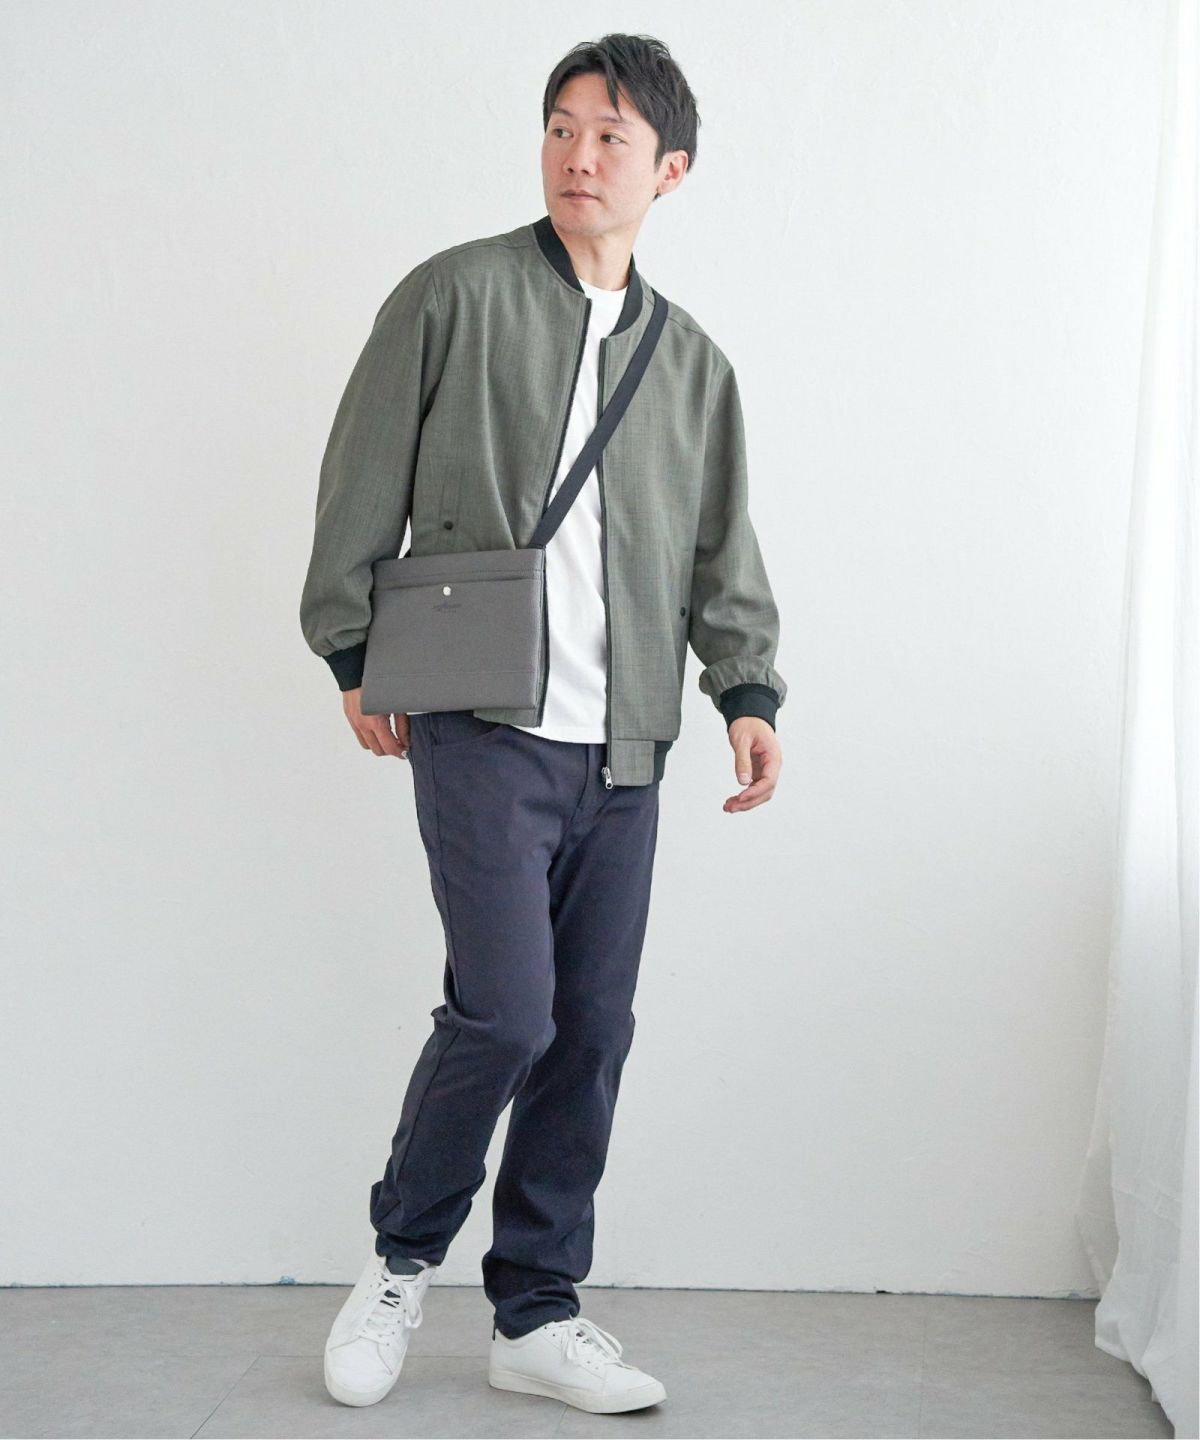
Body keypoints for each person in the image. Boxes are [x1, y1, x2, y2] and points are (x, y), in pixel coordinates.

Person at [299, 31, 787, 1416]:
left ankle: (536, 1312)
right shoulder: (454, 295)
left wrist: (747, 692)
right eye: (562, 127)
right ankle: (400, 1262)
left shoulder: (693, 365)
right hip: (480, 721)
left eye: (611, 136)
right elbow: (361, 473)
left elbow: (721, 552)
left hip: (625, 749)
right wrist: (351, 648)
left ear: (668, 170)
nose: (579, 156)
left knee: (590, 1030)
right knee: (505, 1013)